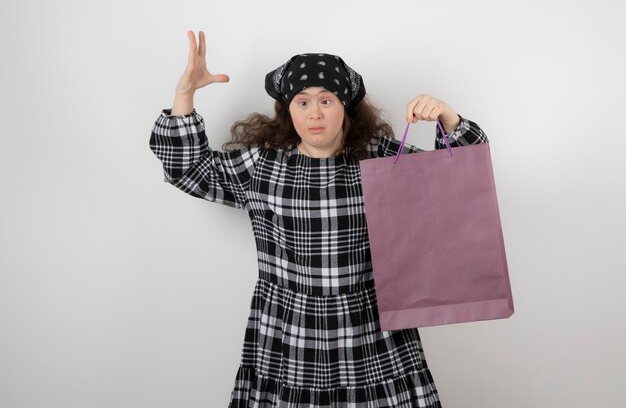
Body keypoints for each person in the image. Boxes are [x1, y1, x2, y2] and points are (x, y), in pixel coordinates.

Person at [150, 31, 488, 408]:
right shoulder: (263, 165)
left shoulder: (381, 161)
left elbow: (460, 182)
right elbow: (186, 168)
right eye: (303, 101)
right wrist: (184, 96)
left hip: (370, 330)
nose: (315, 112)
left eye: (326, 100)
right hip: (286, 333)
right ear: (287, 109)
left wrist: (448, 117)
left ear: (345, 105)